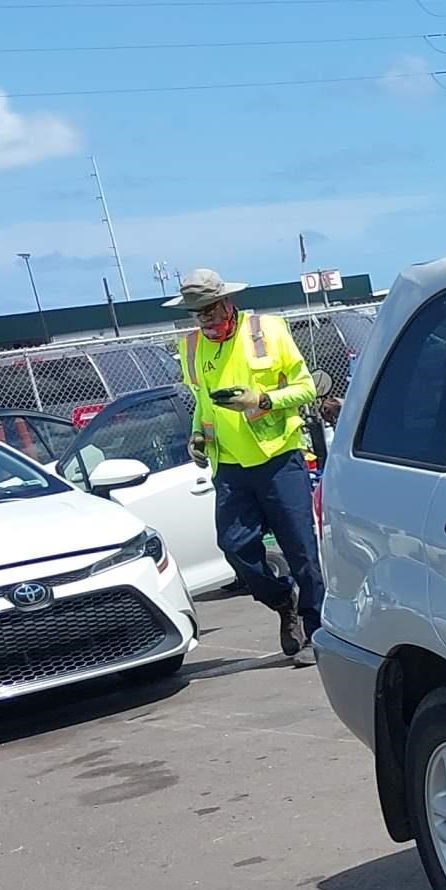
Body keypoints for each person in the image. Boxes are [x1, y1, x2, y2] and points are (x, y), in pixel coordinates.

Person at [167, 267, 324, 660]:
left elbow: (305, 387)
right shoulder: (189, 347)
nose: (204, 317)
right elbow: (202, 401)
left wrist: (263, 401)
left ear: (225, 301)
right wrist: (198, 435)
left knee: (302, 550)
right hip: (231, 466)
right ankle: (281, 598)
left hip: (278, 456)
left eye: (208, 307)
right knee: (235, 548)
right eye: (196, 311)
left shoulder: (267, 330)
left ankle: (316, 628)